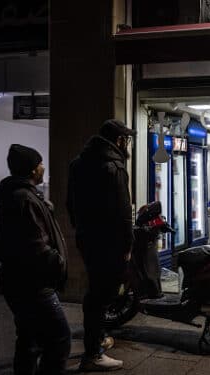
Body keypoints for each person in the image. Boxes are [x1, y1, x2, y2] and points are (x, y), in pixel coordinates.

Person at [67, 119, 136, 371]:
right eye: (125, 139)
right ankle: (93, 352)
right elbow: (123, 213)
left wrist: (83, 231)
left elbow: (70, 204)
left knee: (96, 293)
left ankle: (96, 339)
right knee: (101, 296)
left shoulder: (78, 163)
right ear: (119, 140)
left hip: (88, 239)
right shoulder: (114, 167)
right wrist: (127, 245)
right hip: (110, 244)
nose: (126, 143)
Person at [0, 144, 70, 375]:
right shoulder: (23, 199)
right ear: (31, 169)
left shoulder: (21, 196)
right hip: (33, 284)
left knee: (29, 340)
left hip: (21, 281)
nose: (43, 167)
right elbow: (36, 247)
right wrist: (57, 263)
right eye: (39, 164)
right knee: (59, 338)